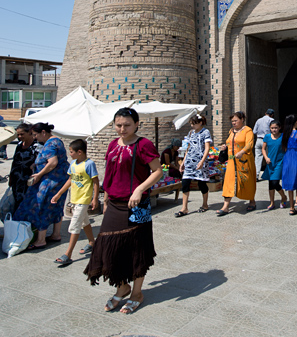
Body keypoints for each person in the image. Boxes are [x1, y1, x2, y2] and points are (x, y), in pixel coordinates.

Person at [84, 107, 163, 314]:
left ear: (137, 124)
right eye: (118, 125)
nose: (122, 129)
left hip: (138, 205)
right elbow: (110, 173)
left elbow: (157, 171)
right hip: (115, 204)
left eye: (127, 125)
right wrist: (105, 196)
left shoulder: (143, 144)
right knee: (111, 247)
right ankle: (122, 285)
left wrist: (139, 189)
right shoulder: (112, 144)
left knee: (137, 249)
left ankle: (136, 292)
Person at [13, 122, 69, 248]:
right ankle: (56, 234)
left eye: (35, 135)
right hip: (61, 180)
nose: (35, 138)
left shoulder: (50, 143)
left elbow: (52, 162)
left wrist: (39, 174)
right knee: (56, 206)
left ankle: (41, 240)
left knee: (42, 206)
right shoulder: (57, 141)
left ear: (43, 132)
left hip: (50, 181)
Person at [51, 139, 99, 267]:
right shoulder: (72, 164)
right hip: (75, 199)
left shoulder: (89, 164)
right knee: (85, 222)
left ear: (79, 152)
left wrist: (94, 198)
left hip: (84, 199)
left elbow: (95, 181)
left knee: (74, 225)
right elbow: (70, 180)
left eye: (71, 152)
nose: (70, 154)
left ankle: (68, 254)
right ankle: (91, 242)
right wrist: (59, 193)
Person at [217, 111, 256, 216]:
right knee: (228, 182)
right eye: (232, 121)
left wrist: (242, 152)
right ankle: (225, 207)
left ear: (242, 119)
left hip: (244, 161)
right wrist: (224, 147)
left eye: (235, 120)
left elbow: (249, 144)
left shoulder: (248, 131)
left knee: (247, 181)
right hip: (231, 161)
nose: (233, 123)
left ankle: (252, 200)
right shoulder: (231, 131)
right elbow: (229, 142)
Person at [175, 114, 212, 217]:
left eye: (194, 123)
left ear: (200, 123)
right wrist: (183, 162)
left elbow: (207, 148)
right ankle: (184, 208)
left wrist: (202, 161)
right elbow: (188, 148)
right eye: (191, 123)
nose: (192, 126)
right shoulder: (190, 133)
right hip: (189, 162)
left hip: (200, 162)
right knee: (185, 183)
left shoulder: (205, 132)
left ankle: (205, 204)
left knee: (202, 184)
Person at [9, 123, 41, 208]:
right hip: (17, 178)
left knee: (26, 202)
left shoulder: (36, 146)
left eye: (22, 134)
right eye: (18, 134)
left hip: (28, 180)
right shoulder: (19, 145)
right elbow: (14, 162)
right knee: (16, 200)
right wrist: (11, 177)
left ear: (29, 132)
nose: (19, 136)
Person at [281, 115, 297, 215]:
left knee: (290, 182)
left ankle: (291, 207)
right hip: (296, 157)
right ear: (295, 122)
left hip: (287, 158)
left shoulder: (284, 134)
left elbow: (284, 149)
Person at [261, 120, 287, 210]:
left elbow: (287, 148)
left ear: (279, 128)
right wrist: (266, 158)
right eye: (272, 128)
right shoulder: (267, 137)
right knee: (270, 183)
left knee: (275, 182)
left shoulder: (283, 136)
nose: (274, 129)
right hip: (270, 162)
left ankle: (283, 197)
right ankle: (272, 202)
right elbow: (263, 149)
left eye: (276, 128)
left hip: (280, 162)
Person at [253, 108, 275, 179]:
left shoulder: (258, 120)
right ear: (271, 115)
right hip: (267, 140)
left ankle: (256, 175)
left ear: (265, 113)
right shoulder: (271, 120)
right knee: (269, 157)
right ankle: (270, 173)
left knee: (257, 158)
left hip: (258, 140)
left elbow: (254, 131)